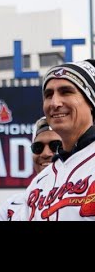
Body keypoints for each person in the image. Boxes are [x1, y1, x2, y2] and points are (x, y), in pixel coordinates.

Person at [19, 59, 95, 221]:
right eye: (48, 95)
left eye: (66, 92)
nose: (55, 103)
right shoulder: (39, 183)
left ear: (91, 102)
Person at [0, 116, 62, 221]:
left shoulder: (83, 197)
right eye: (38, 147)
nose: (45, 153)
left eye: (55, 146)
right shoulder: (11, 207)